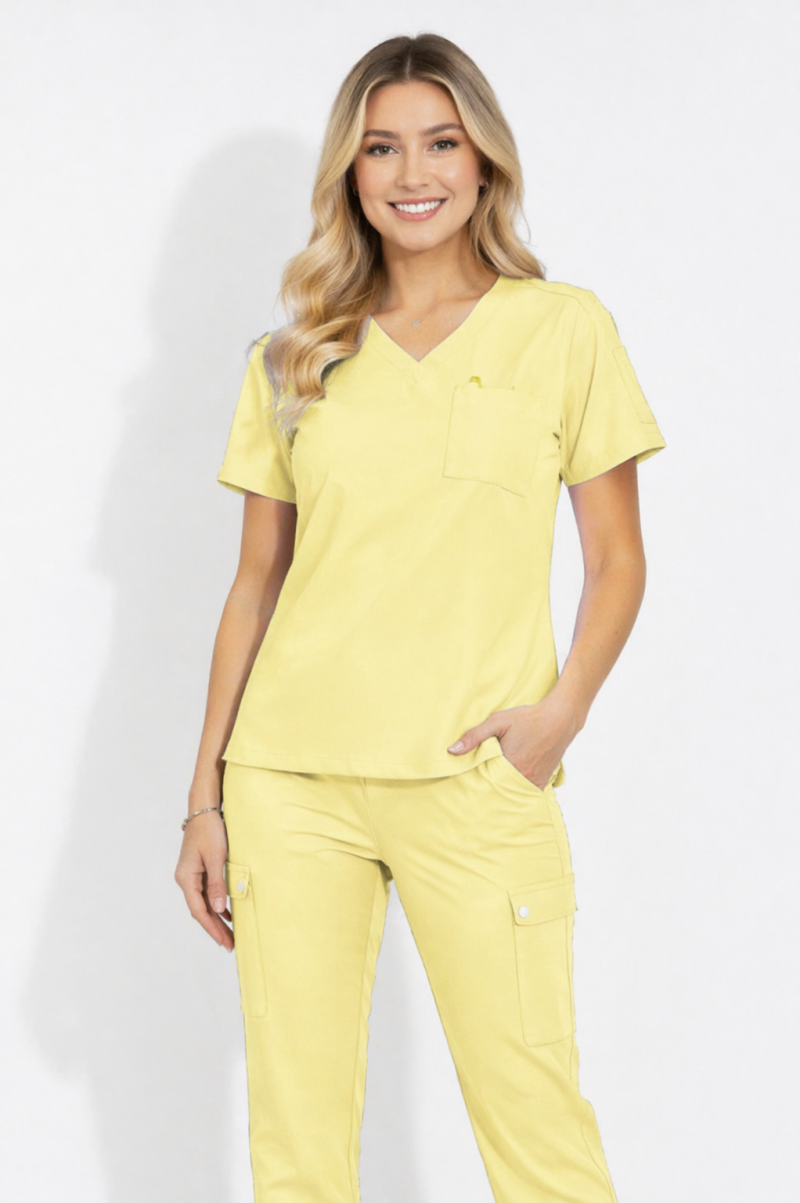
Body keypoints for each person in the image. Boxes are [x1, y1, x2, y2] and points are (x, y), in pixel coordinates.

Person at [175, 31, 666, 1203]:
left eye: (440, 143)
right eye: (380, 148)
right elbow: (253, 585)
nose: (412, 173)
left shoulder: (562, 329)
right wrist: (206, 796)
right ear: (348, 172)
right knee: (296, 1143)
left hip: (475, 778)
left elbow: (615, 560)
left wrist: (559, 716)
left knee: (536, 1129)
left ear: (483, 160)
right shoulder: (294, 355)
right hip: (291, 784)